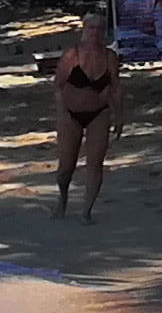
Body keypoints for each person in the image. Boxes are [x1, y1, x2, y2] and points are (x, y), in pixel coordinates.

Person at [52, 14, 124, 217]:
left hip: (99, 112)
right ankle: (63, 198)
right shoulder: (72, 54)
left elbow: (115, 88)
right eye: (91, 28)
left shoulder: (109, 57)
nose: (95, 32)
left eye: (99, 29)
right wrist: (62, 111)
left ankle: (86, 212)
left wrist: (120, 116)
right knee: (66, 166)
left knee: (95, 163)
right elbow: (58, 85)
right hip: (70, 113)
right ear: (84, 30)